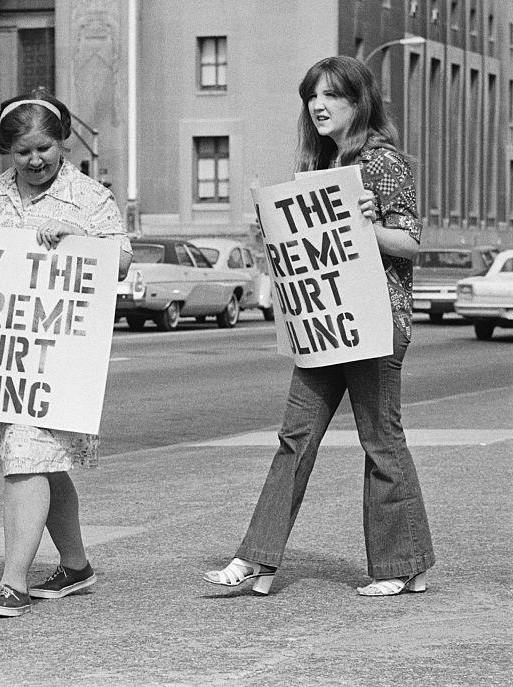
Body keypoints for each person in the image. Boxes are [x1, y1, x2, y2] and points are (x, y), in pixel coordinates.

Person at [204, 56, 434, 597]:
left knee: (381, 442)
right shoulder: (317, 167)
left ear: (360, 102)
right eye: (312, 96)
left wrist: (364, 225)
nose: (319, 105)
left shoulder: (382, 163)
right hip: (324, 322)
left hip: (376, 321)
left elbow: (410, 243)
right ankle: (257, 559)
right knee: (295, 437)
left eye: (332, 95)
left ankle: (401, 565)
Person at [0, 90, 133, 617]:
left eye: (45, 148)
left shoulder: (89, 197)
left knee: (24, 458)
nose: (36, 160)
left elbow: (122, 262)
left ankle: (12, 582)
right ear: (6, 152)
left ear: (62, 143)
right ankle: (77, 565)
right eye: (23, 152)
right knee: (44, 462)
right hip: (5, 353)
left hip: (62, 354)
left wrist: (81, 236)